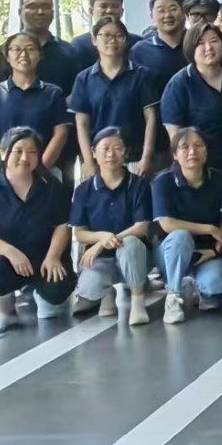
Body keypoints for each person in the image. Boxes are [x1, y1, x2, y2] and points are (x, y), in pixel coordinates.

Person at [0, 127, 74, 334]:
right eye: (18, 151)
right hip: (5, 260)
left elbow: (62, 226)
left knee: (54, 300)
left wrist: (53, 257)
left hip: (42, 258)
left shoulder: (51, 186)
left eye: (32, 152)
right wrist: (10, 251)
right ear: (3, 153)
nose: (25, 158)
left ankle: (33, 291)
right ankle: (3, 310)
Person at [67, 126, 153, 325]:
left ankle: (138, 302)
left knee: (130, 243)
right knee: (89, 287)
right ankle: (107, 293)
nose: (110, 154)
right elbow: (79, 233)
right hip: (101, 260)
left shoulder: (139, 185)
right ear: (93, 152)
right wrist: (100, 237)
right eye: (104, 148)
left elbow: (142, 227)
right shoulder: (84, 190)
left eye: (117, 148)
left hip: (136, 257)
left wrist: (102, 242)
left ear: (126, 153)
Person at [153, 127, 222, 323]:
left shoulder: (217, 178)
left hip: (205, 253)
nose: (192, 152)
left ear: (206, 151)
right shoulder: (163, 181)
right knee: (181, 235)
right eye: (185, 147)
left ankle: (199, 288)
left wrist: (215, 250)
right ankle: (173, 295)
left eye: (198, 146)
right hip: (172, 251)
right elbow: (167, 224)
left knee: (216, 283)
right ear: (174, 154)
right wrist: (209, 229)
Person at [72, 16, 159, 179]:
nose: (112, 40)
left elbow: (151, 118)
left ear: (126, 41)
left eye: (119, 36)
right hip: (98, 161)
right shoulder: (84, 79)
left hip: (135, 158)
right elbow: (82, 123)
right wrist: (89, 161)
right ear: (94, 40)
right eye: (106, 35)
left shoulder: (141, 75)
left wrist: (147, 156)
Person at [161, 23, 222, 173]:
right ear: (190, 48)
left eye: (214, 41)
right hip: (200, 167)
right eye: (200, 43)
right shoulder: (179, 85)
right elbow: (176, 135)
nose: (209, 48)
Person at [0, 30, 72, 173]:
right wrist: (0, 167)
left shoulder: (53, 93)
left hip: (45, 171)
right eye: (16, 49)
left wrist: (40, 168)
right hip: (5, 172)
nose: (23, 54)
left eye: (30, 49)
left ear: (40, 56)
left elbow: (61, 133)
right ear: (7, 57)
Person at [13, 0, 82, 93]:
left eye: (45, 7)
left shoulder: (69, 52)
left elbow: (78, 93)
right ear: (20, 12)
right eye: (32, 7)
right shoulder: (7, 51)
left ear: (53, 13)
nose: (40, 12)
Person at [68, 0, 139, 71]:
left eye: (115, 6)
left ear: (122, 11)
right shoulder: (79, 45)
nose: (109, 10)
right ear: (91, 11)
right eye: (103, 6)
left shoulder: (137, 42)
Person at [130, 0, 190, 90]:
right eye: (161, 10)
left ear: (184, 14)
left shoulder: (196, 44)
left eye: (173, 9)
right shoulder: (140, 50)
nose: (168, 15)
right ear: (151, 16)